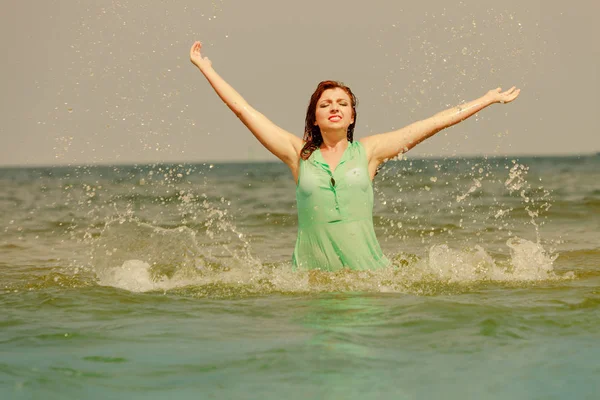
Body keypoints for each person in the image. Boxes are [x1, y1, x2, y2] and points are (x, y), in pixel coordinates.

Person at [189, 41, 520, 272]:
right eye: (325, 104)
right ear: (314, 118)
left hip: (368, 279)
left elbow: (431, 124)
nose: (334, 107)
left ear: (351, 117)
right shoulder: (297, 155)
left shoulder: (370, 152)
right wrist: (205, 68)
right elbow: (244, 110)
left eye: (342, 104)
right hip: (310, 282)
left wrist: (486, 99)